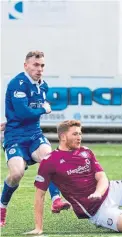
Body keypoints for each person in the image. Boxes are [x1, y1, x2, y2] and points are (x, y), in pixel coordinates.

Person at [26, 120, 122, 234]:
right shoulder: (49, 161)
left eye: (80, 133)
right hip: (96, 210)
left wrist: (98, 192)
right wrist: (39, 227)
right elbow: (40, 195)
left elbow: (102, 177)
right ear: (63, 136)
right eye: (75, 134)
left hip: (110, 189)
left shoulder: (86, 152)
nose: (79, 137)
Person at [1, 51, 70, 227]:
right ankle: (2, 206)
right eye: (35, 65)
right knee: (16, 174)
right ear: (26, 65)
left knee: (50, 160)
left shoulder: (43, 86)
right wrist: (44, 110)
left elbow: (27, 115)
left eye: (42, 65)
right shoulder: (18, 84)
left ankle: (56, 200)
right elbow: (24, 113)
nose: (39, 69)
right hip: (15, 136)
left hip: (34, 135)